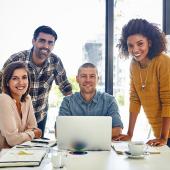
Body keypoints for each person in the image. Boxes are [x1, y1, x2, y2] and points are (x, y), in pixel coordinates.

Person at [0, 25, 72, 137]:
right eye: (42, 41)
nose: (46, 46)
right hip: (14, 117)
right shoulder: (16, 59)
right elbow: (1, 85)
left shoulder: (55, 61)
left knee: (35, 152)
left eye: (50, 43)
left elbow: (65, 87)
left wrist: (74, 112)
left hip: (39, 117)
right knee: (10, 149)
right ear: (33, 41)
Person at [115, 18, 170, 147]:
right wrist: (129, 134)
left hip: (165, 135)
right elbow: (134, 99)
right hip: (161, 134)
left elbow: (168, 101)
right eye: (131, 45)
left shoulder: (163, 62)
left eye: (140, 44)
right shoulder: (134, 65)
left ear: (149, 43)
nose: (135, 50)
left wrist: (164, 138)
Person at [59, 63, 123, 138]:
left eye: (92, 76)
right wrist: (96, 135)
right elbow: (59, 131)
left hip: (101, 148)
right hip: (74, 148)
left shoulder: (109, 100)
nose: (88, 80)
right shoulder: (67, 101)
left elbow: (118, 129)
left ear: (97, 79)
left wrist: (84, 137)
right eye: (83, 76)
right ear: (77, 79)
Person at [0, 62, 42, 149]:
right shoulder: (3, 99)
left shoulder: (27, 99)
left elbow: (33, 127)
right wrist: (33, 133)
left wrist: (24, 135)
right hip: (4, 157)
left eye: (24, 77)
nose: (21, 82)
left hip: (20, 153)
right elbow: (12, 140)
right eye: (15, 78)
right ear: (7, 82)